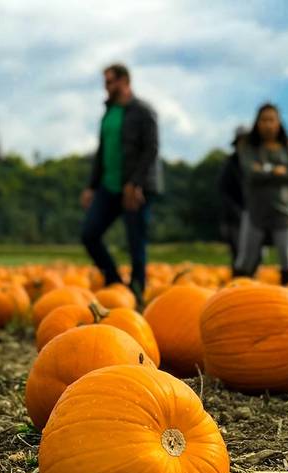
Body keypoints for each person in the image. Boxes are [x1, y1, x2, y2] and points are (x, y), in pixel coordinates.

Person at [80, 63, 162, 303]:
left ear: (125, 81)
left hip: (135, 188)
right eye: (105, 83)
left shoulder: (143, 111)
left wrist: (135, 183)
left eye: (111, 82)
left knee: (135, 240)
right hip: (108, 186)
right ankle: (114, 282)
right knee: (89, 234)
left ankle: (137, 291)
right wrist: (91, 186)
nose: (107, 87)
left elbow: (151, 149)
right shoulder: (109, 112)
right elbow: (102, 152)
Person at [234, 103, 288, 284]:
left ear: (278, 123)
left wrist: (263, 169)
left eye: (272, 120)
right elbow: (250, 173)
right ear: (257, 122)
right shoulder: (248, 146)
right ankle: (235, 297)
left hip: (283, 209)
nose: (268, 124)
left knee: (286, 256)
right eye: (264, 120)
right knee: (246, 256)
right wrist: (275, 171)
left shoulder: (287, 146)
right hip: (255, 209)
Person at [217, 126, 248, 268]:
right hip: (234, 216)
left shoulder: (254, 163)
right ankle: (239, 281)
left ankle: (253, 284)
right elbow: (224, 191)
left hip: (254, 216)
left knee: (254, 253)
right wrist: (237, 212)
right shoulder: (230, 164)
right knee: (238, 252)